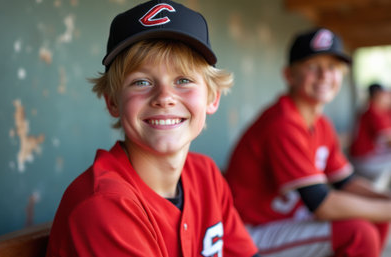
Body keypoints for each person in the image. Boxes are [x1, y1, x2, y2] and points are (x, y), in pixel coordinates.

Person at [46, 1, 259, 256]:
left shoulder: (206, 176)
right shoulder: (104, 205)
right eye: (142, 81)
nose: (164, 97)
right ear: (113, 101)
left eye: (183, 80)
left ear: (212, 98)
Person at [224, 27, 391, 257]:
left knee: (376, 217)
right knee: (357, 232)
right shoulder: (282, 121)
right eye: (313, 66)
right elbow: (322, 205)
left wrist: (386, 200)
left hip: (289, 219)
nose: (324, 75)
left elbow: (346, 182)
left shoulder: (320, 123)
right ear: (289, 75)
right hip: (250, 231)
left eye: (332, 67)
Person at [350, 83, 391, 187]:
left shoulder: (381, 111)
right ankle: (376, 194)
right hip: (363, 159)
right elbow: (388, 141)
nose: (388, 97)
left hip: (371, 155)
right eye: (386, 94)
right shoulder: (372, 111)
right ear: (377, 95)